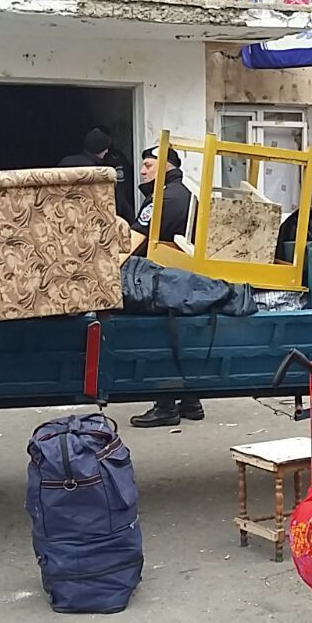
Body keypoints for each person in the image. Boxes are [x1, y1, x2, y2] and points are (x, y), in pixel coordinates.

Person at [130, 144, 204, 429]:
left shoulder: (161, 198)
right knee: (181, 339)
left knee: (157, 340)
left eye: (148, 166)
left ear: (165, 167)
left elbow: (134, 240)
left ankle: (164, 406)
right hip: (183, 278)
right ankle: (190, 400)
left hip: (158, 279)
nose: (143, 171)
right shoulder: (185, 193)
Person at [59, 128, 135, 223]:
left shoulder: (66, 161)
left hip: (66, 213)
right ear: (99, 149)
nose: (107, 151)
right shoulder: (96, 171)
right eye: (104, 148)